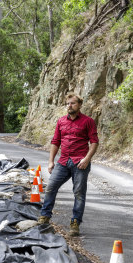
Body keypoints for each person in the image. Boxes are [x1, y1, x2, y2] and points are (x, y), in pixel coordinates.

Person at [37, 93, 99, 236]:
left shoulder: (88, 121)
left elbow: (94, 142)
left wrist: (87, 159)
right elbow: (55, 142)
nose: (69, 106)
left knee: (78, 193)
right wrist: (51, 161)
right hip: (63, 161)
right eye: (67, 103)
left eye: (73, 103)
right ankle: (45, 217)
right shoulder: (61, 121)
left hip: (80, 162)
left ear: (80, 105)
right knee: (51, 187)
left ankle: (75, 223)